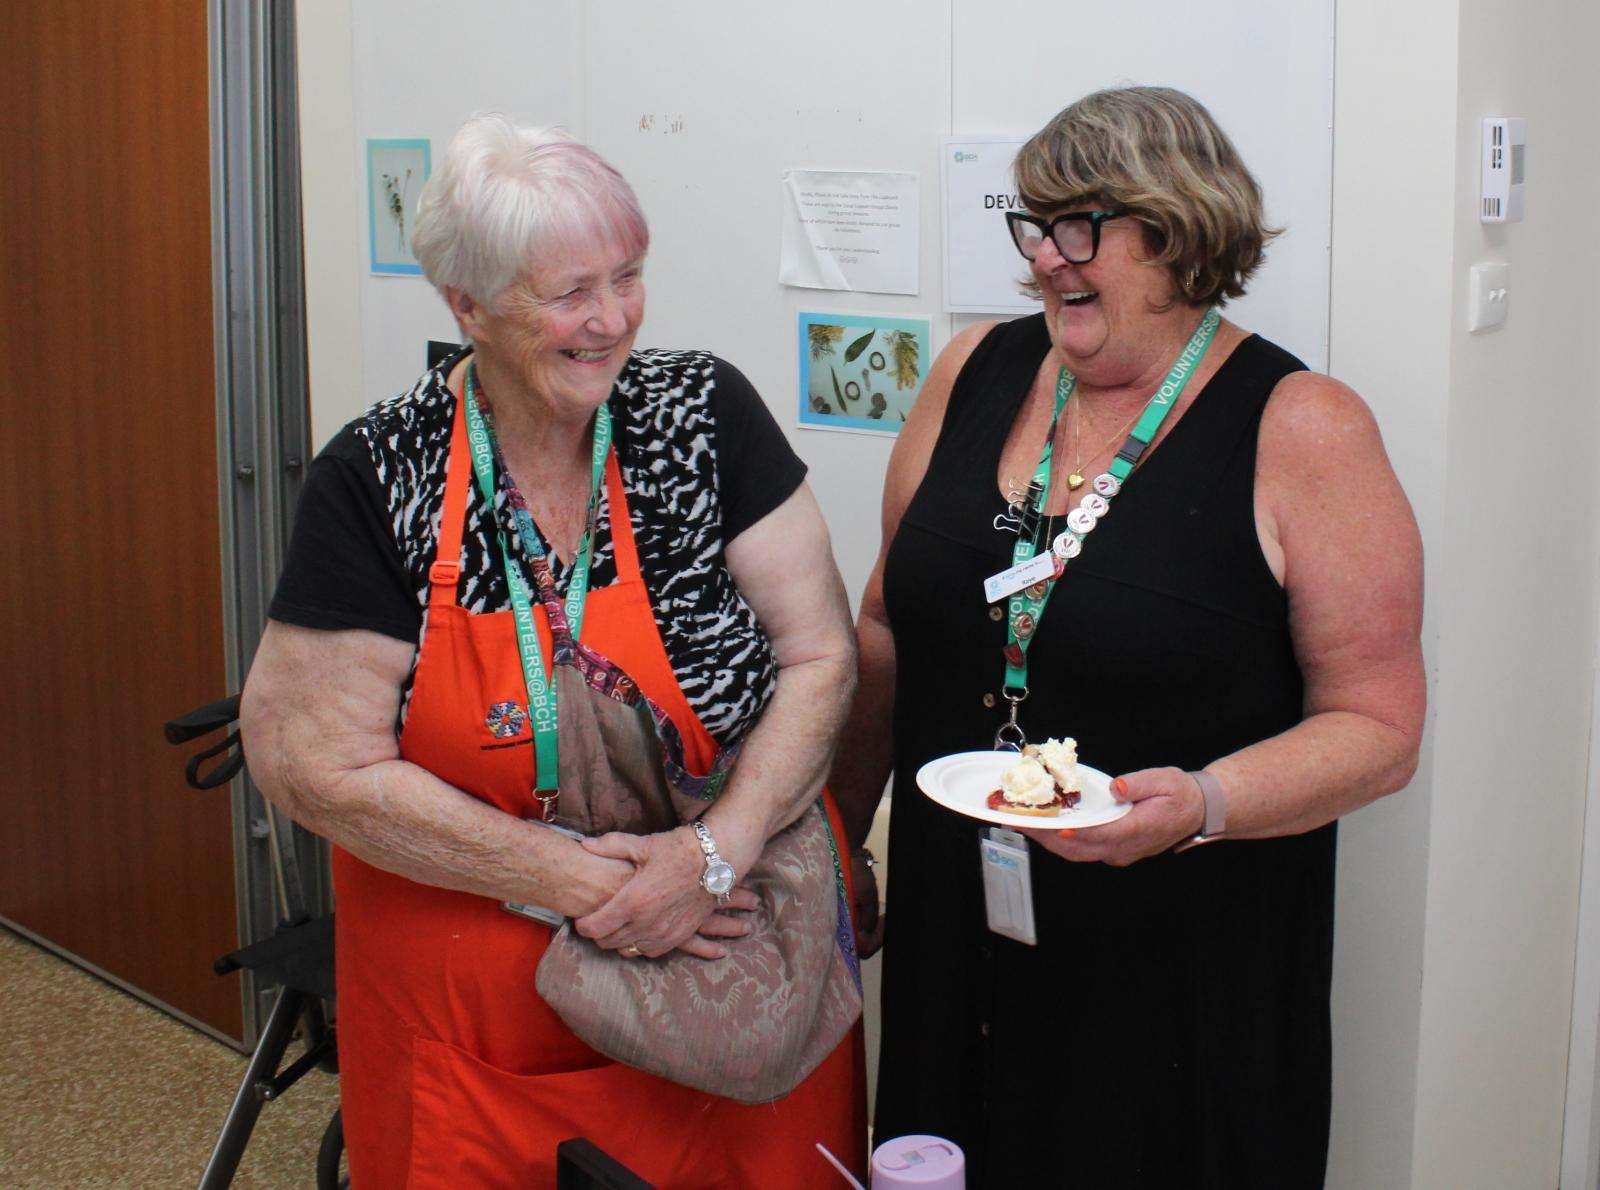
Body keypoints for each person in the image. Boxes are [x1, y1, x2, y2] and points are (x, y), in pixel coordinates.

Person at [240, 114, 865, 1187]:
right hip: (484, 1002)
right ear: (466, 305)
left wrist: (708, 857)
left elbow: (820, 657)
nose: (611, 318)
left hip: (739, 971)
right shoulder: (380, 475)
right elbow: (312, 764)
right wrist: (578, 878)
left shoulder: (701, 416)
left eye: (628, 276)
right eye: (570, 292)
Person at [830, 86, 1425, 1187]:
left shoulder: (1302, 425)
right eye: (1036, 224)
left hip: (1176, 955)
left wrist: (1201, 805)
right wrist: (836, 837)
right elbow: (884, 628)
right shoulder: (974, 373)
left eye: (1080, 227)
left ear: (1179, 229)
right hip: (953, 915)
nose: (1048, 258)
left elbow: (1379, 728)